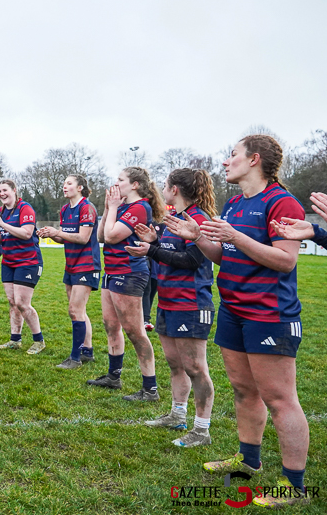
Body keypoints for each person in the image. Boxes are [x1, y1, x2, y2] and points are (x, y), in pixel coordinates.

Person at [168, 136, 311, 507]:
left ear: (254, 160)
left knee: (279, 399)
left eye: (233, 154)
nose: (227, 160)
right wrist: (198, 237)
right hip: (233, 309)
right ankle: (248, 460)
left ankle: (294, 485)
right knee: (243, 390)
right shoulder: (234, 204)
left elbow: (285, 260)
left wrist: (238, 236)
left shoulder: (282, 202)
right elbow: (223, 256)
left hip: (270, 314)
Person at [125, 168, 217, 448]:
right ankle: (177, 415)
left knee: (195, 367)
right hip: (168, 300)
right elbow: (170, 253)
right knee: (176, 364)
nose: (162, 189)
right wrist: (154, 241)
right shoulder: (172, 219)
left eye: (165, 185)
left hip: (191, 302)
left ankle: (201, 429)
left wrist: (151, 251)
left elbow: (191, 259)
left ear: (175, 189)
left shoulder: (198, 219)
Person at [87, 166, 165, 401]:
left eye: (120, 180)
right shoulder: (122, 207)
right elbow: (101, 236)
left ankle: (150, 388)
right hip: (111, 272)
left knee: (135, 331)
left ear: (135, 185)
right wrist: (107, 208)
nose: (116, 183)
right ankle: (114, 376)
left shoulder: (140, 207)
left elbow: (112, 236)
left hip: (129, 273)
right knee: (111, 326)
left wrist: (112, 209)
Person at [38, 174, 100, 369]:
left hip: (87, 264)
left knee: (74, 310)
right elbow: (64, 238)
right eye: (64, 183)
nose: (64, 186)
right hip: (71, 264)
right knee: (79, 311)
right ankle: (87, 351)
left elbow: (82, 237)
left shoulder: (87, 208)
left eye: (69, 183)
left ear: (80, 187)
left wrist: (57, 232)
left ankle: (75, 358)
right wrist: (50, 234)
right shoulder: (65, 209)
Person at [0, 179, 45, 354]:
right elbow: (0, 237)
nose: (1, 194)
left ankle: (39, 340)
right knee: (12, 302)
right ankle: (15, 340)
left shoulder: (25, 208)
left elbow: (26, 233)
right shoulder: (0, 212)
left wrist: (2, 223)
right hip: (9, 262)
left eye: (5, 190)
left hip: (28, 262)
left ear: (14, 190)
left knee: (22, 303)